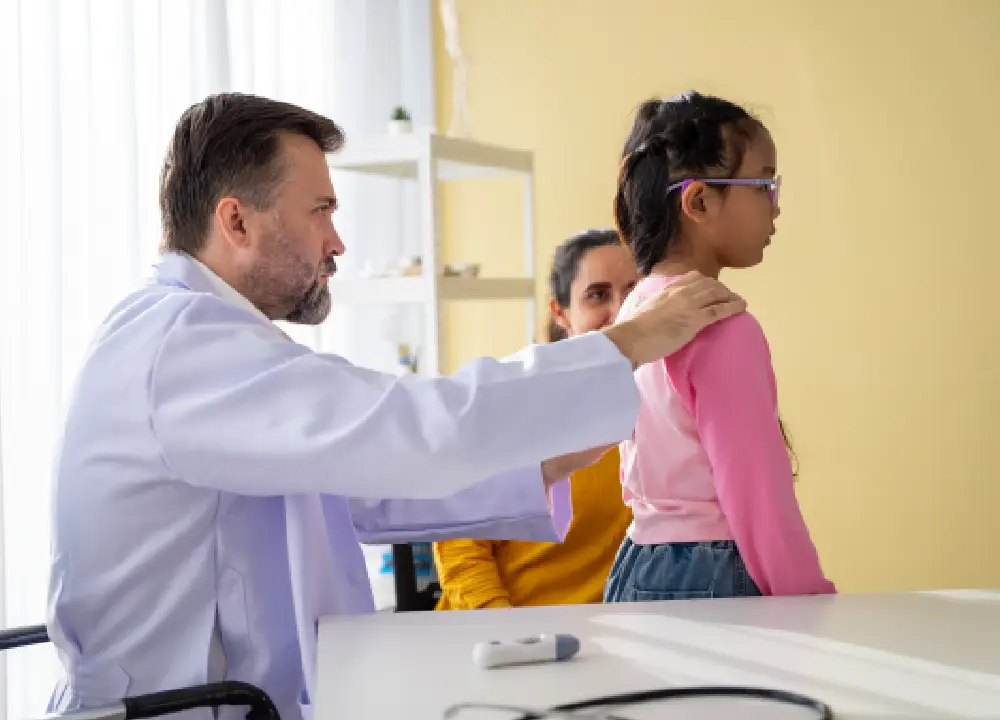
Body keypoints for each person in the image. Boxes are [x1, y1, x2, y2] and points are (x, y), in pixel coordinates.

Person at [45, 92, 747, 720]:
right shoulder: (181, 347)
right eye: (319, 211)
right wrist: (627, 342)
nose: (337, 241)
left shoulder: (219, 349)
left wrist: (549, 453)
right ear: (236, 221)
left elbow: (361, 488)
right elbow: (411, 426)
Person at [603, 91, 836, 604]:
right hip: (711, 572)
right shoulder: (720, 322)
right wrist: (811, 600)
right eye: (764, 184)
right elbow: (757, 495)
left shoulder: (638, 308)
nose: (776, 204)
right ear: (700, 202)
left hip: (639, 562)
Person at [433, 229, 638, 609]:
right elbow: (463, 553)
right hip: (500, 642)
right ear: (561, 314)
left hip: (611, 645)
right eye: (598, 295)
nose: (621, 312)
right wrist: (511, 638)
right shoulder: (518, 408)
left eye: (633, 291)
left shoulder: (672, 409)